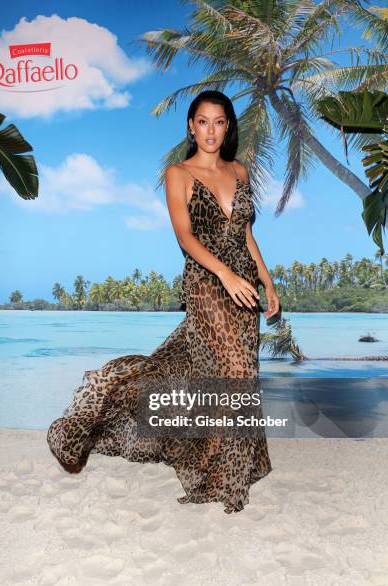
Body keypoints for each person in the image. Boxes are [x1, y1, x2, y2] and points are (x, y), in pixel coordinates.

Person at [47, 90, 280, 514]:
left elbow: (246, 234)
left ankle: (229, 462)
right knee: (233, 373)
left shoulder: (240, 171)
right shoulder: (179, 173)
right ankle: (220, 476)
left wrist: (266, 279)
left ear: (228, 127)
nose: (211, 130)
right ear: (191, 126)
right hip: (207, 283)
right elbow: (185, 237)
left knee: (236, 377)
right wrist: (224, 274)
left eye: (220, 122)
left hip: (243, 283)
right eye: (203, 121)